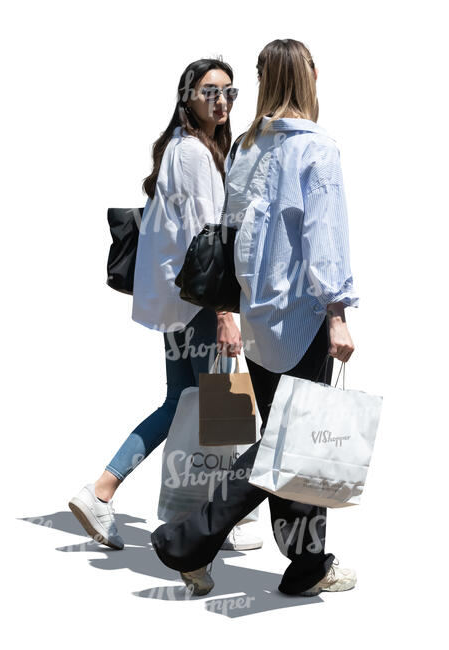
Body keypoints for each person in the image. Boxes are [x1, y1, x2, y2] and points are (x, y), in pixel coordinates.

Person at [151, 38, 360, 597]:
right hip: (302, 318)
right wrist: (337, 312)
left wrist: (231, 310)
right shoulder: (319, 148)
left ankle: (307, 564)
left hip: (258, 317)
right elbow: (326, 240)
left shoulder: (247, 146)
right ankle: (188, 543)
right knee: (288, 447)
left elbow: (230, 237)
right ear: (308, 75)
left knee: (287, 440)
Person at [69, 57, 262, 552]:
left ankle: (107, 491)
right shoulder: (195, 155)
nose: (221, 100)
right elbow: (208, 237)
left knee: (186, 404)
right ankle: (219, 516)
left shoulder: (180, 148)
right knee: (226, 407)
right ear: (187, 99)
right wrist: (225, 313)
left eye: (229, 92)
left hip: (176, 304)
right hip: (199, 306)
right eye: (209, 91)